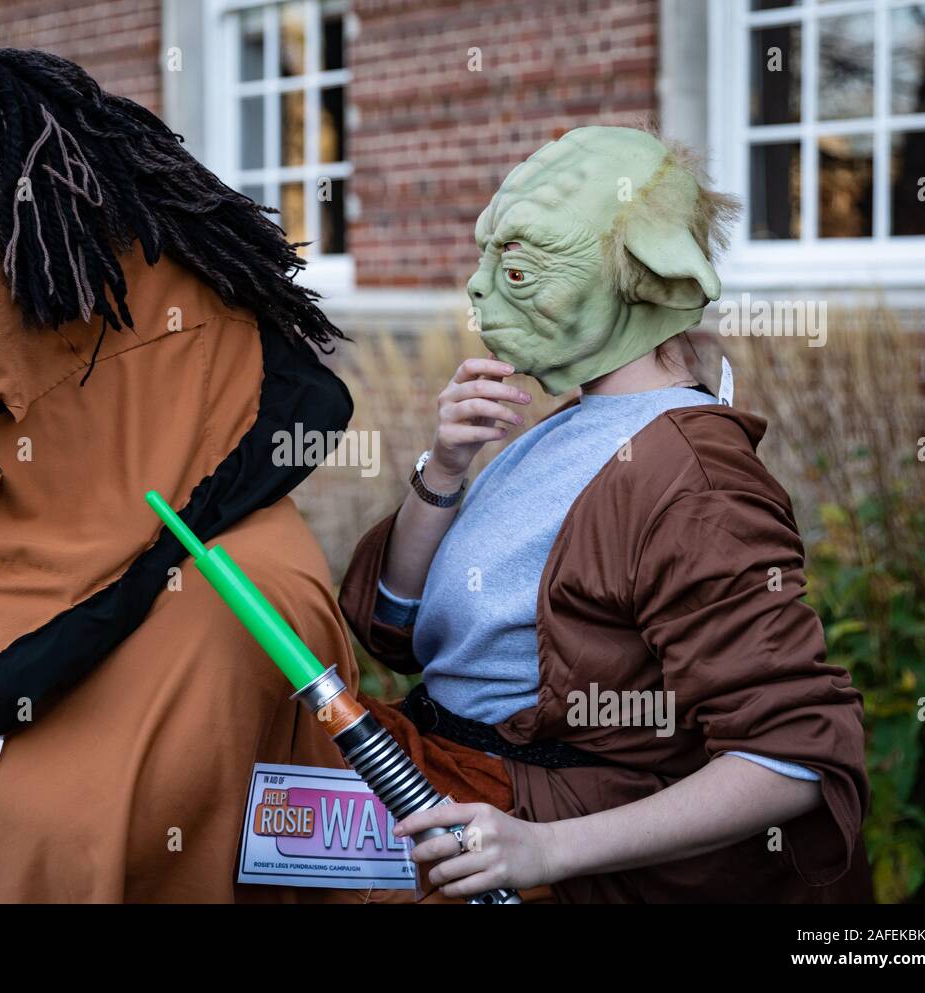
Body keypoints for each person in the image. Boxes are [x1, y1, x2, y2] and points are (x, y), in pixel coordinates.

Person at [338, 127, 872, 903]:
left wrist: (546, 850)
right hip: (439, 778)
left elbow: (793, 754)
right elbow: (397, 628)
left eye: (518, 270)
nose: (478, 290)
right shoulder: (565, 424)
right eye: (488, 261)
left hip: (531, 836)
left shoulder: (694, 481)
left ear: (647, 280)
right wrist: (445, 468)